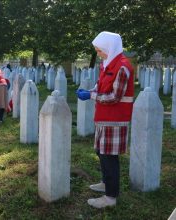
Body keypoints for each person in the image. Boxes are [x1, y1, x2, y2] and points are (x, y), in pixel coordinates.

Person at [76, 31, 134, 209]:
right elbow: (102, 85)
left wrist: (91, 96)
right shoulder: (108, 64)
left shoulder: (122, 67)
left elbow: (114, 97)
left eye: (99, 50)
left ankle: (110, 197)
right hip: (104, 117)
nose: (98, 53)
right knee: (102, 152)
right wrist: (92, 89)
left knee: (109, 157)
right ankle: (106, 183)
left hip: (115, 120)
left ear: (109, 48)